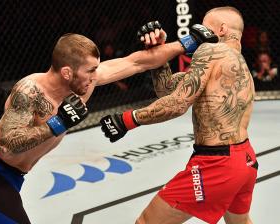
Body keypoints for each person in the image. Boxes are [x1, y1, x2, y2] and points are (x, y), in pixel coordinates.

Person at [0, 23, 217, 223]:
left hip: (15, 176)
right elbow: (9, 143)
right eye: (90, 71)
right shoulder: (30, 91)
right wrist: (57, 122)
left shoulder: (84, 82)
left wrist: (186, 43)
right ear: (67, 72)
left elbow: (136, 62)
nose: (95, 77)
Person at [100, 6, 258, 224]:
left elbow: (178, 103)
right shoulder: (240, 68)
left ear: (221, 29)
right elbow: (167, 89)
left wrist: (128, 120)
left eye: (205, 25)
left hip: (216, 164)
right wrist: (159, 50)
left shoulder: (211, 52)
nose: (200, 31)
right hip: (246, 161)